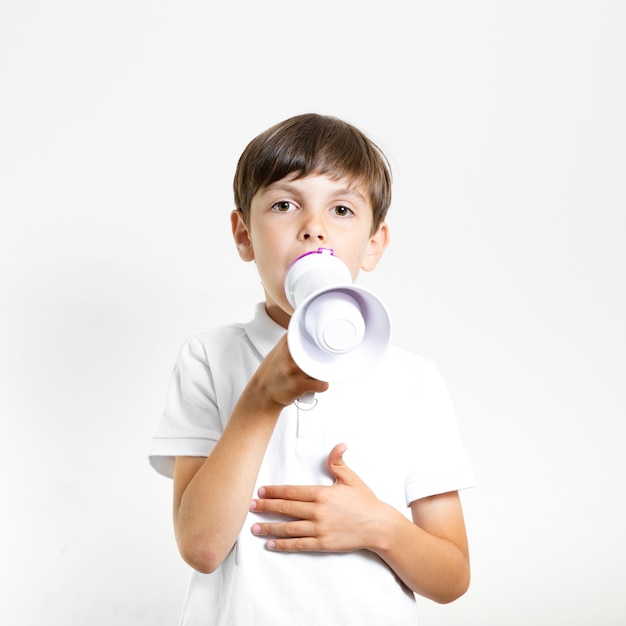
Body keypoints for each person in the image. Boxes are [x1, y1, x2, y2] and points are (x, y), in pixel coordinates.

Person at [149, 113, 476, 625]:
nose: (314, 228)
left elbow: (451, 577)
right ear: (243, 235)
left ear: (373, 245)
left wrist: (378, 527)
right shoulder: (208, 359)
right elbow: (202, 548)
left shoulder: (414, 381)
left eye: (342, 209)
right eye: (284, 204)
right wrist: (260, 400)